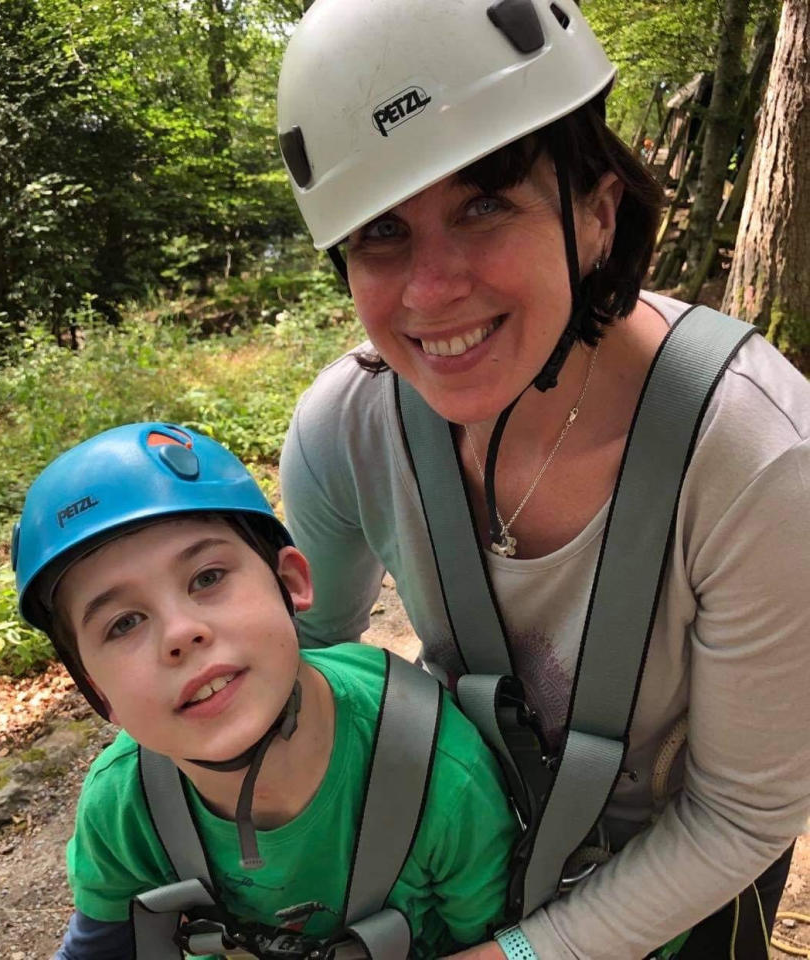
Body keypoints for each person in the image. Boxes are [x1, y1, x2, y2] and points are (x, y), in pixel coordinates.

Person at [275, 1, 810, 958]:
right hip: (462, 856)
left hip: (684, 891)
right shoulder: (349, 428)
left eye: (485, 203)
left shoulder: (757, 457)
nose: (430, 290)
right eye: (381, 233)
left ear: (596, 212)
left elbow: (741, 815)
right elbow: (298, 662)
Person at [11, 422, 517, 959]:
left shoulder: (436, 771)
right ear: (97, 692)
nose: (181, 634)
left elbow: (496, 944)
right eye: (123, 623)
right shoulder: (124, 805)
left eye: (207, 578)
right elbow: (98, 948)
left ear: (293, 581)